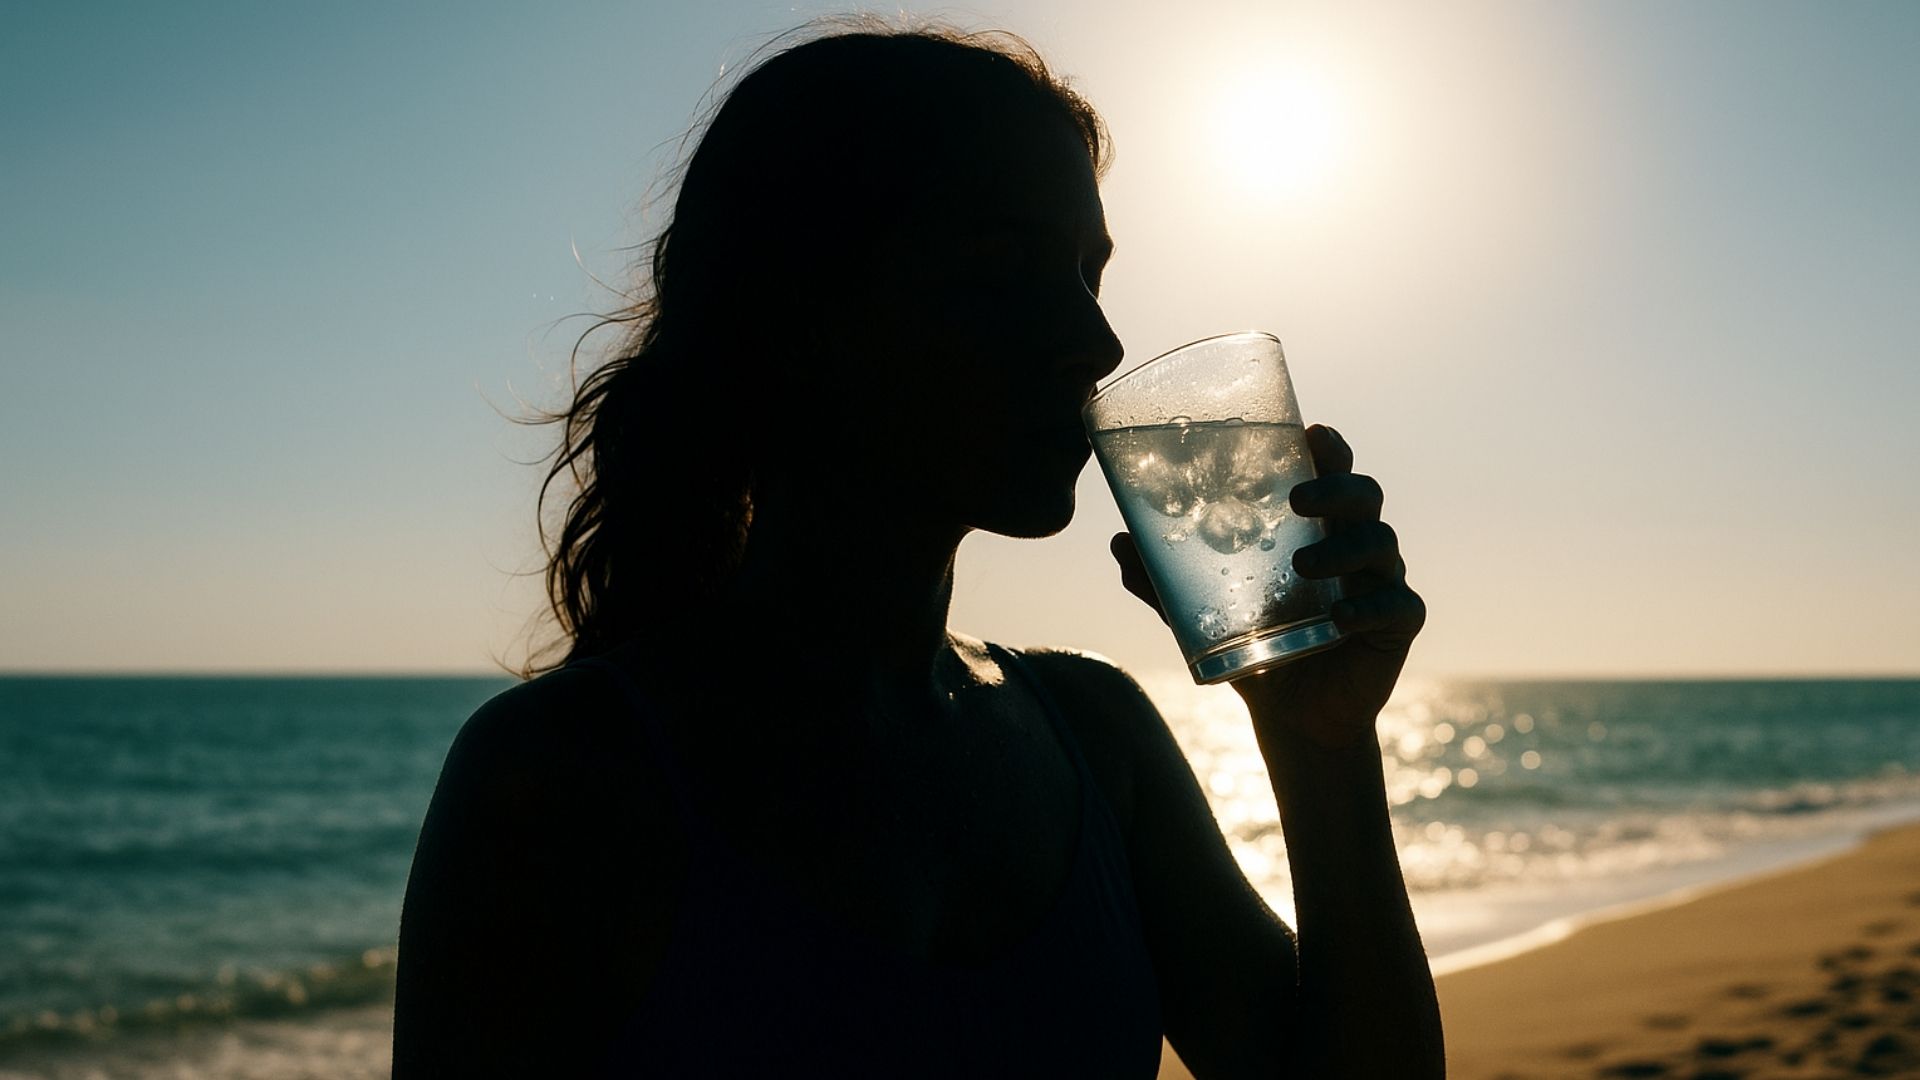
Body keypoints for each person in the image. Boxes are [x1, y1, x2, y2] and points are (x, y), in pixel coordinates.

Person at [392, 19, 1442, 1079]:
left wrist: (1321, 741)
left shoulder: (1096, 738)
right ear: (798, 313)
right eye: (1002, 270)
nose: (1098, 340)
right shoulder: (562, 780)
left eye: (1089, 273)